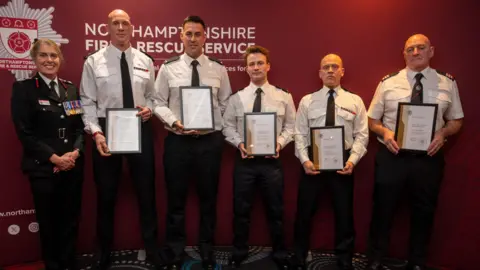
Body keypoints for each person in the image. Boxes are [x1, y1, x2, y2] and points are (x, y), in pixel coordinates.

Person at [365, 34, 464, 270]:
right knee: (383, 209)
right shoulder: (388, 82)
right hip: (393, 157)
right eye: (410, 49)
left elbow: (457, 120)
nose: (416, 52)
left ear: (431, 51)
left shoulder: (447, 82)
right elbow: (372, 120)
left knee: (424, 212)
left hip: (428, 159)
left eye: (421, 48)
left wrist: (443, 134)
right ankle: (375, 259)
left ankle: (417, 261)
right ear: (404, 53)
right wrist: (385, 133)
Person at [80, 9, 162, 269]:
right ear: (107, 28)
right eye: (115, 23)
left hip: (139, 127)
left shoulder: (144, 60)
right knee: (106, 194)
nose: (120, 27)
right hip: (107, 130)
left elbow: (154, 97)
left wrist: (150, 108)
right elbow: (87, 101)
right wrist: (96, 132)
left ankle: (152, 249)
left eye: (124, 22)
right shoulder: (94, 61)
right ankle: (103, 252)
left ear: (131, 27)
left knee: (146, 193)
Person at [153, 15, 232, 269]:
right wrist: (175, 122)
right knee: (176, 200)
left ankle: (207, 249)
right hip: (178, 143)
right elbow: (157, 102)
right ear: (181, 36)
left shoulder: (218, 68)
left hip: (209, 143)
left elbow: (226, 103)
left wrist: (212, 123)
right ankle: (175, 251)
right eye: (189, 34)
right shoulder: (168, 67)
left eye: (198, 34)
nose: (193, 39)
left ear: (205, 37)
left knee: (208, 199)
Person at [11, 38, 84, 270]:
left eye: (53, 56)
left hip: (71, 166)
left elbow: (79, 128)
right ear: (34, 59)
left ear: (60, 59)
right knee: (49, 223)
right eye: (43, 55)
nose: (49, 60)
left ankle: (69, 263)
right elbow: (25, 134)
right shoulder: (24, 89)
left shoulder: (69, 88)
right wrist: (55, 158)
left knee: (70, 221)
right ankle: (53, 266)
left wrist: (75, 152)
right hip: (44, 168)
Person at [290, 54, 369, 270]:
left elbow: (362, 135)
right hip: (312, 162)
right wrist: (305, 161)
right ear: (320, 73)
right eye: (326, 67)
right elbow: (299, 134)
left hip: (342, 162)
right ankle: (299, 256)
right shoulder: (308, 101)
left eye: (335, 67)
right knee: (304, 212)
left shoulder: (355, 101)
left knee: (344, 213)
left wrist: (352, 161)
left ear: (342, 71)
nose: (331, 70)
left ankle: (344, 258)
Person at [222, 45, 295, 269]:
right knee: (240, 210)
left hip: (272, 163)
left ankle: (280, 254)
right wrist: (239, 143)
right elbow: (227, 127)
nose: (256, 67)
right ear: (246, 68)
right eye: (251, 64)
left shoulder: (283, 96)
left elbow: (292, 127)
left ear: (268, 66)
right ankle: (239, 251)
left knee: (276, 210)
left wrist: (279, 143)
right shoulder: (237, 98)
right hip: (245, 162)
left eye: (259, 63)